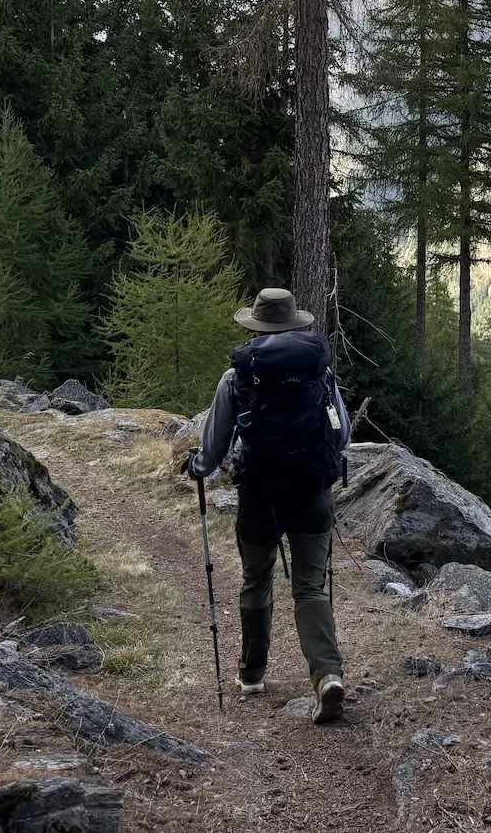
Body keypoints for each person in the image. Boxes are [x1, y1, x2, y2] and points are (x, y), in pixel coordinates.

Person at [187, 288, 351, 724]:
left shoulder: (236, 377)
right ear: (296, 323)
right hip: (312, 491)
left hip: (260, 494)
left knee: (255, 579)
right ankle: (328, 675)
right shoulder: (321, 372)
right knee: (309, 588)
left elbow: (213, 450)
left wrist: (196, 467)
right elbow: (343, 435)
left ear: (254, 326)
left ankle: (252, 673)